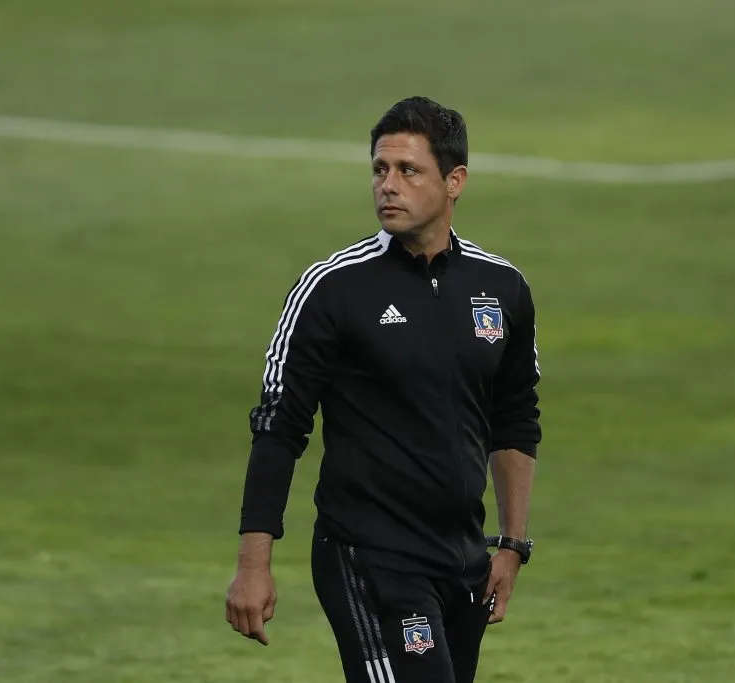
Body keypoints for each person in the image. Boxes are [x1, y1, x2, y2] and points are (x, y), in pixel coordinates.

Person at [225, 96, 542, 683]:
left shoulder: (502, 288)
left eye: (407, 170)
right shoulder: (333, 289)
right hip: (368, 558)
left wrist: (511, 544)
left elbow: (516, 418)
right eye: (379, 169)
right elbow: (278, 425)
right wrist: (254, 562)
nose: (387, 186)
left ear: (455, 181)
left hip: (462, 559)